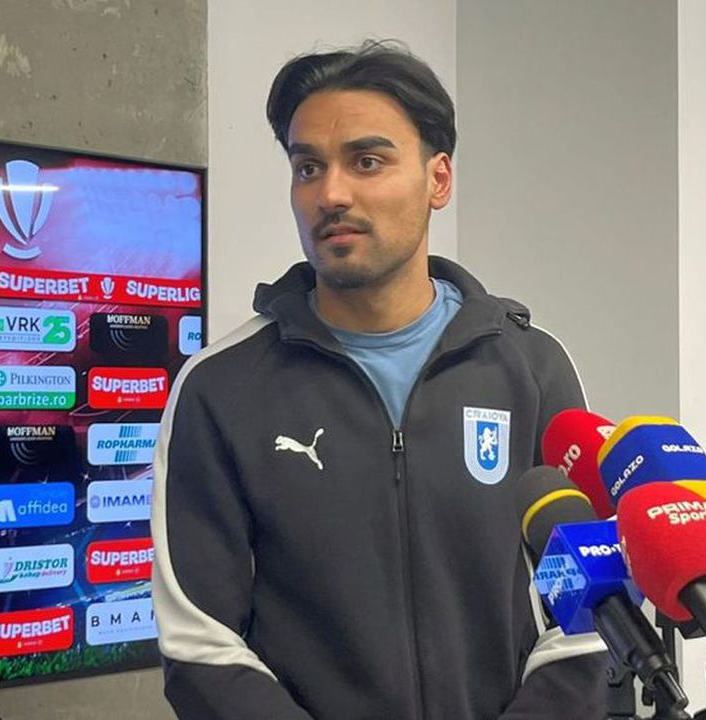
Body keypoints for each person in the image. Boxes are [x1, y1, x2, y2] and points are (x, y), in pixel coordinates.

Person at [151, 39, 609, 719]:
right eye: (309, 167)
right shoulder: (220, 388)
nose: (331, 194)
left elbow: (583, 616)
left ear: (438, 179)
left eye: (367, 161)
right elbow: (201, 647)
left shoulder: (531, 367)